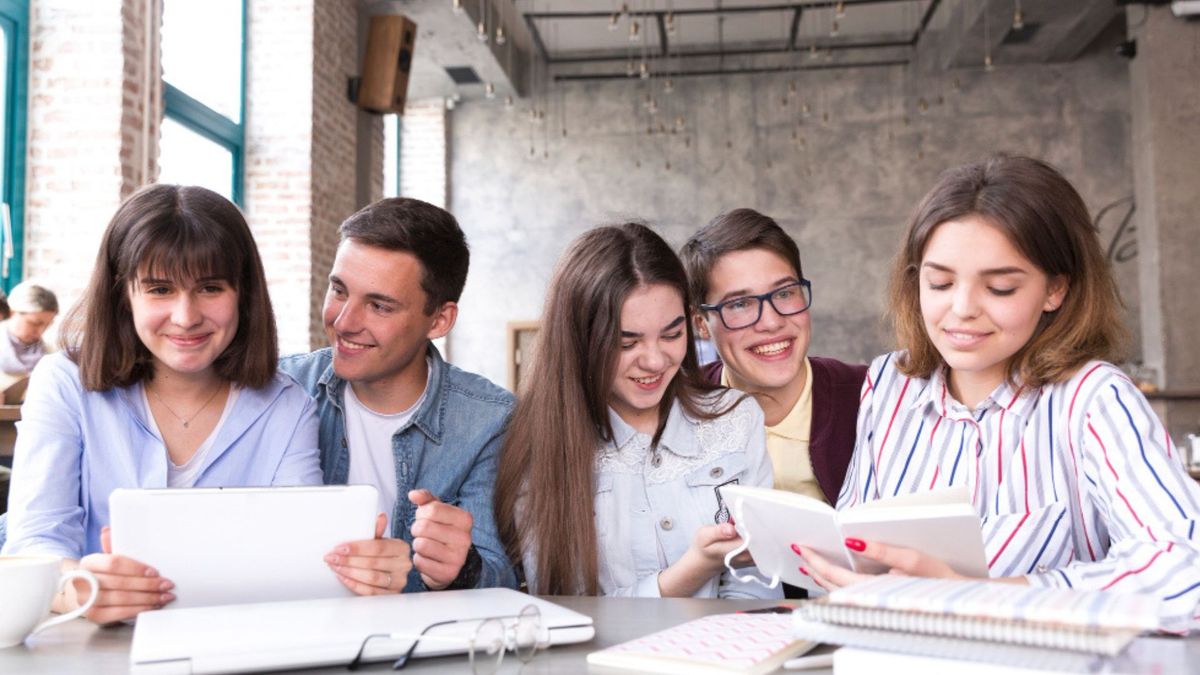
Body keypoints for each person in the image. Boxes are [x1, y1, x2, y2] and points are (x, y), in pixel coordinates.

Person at [793, 155, 1200, 632]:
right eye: (940, 282)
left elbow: (1185, 572)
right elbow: (855, 546)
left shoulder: (1093, 400)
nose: (962, 308)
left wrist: (975, 597)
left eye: (1001, 288)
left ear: (1055, 290)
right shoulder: (889, 383)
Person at [1, 184, 323, 625]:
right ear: (123, 295)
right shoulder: (64, 383)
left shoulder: (288, 407)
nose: (186, 317)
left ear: (243, 294)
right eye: (159, 289)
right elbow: (35, 541)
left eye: (210, 287)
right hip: (89, 643)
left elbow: (298, 556)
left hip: (236, 639)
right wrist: (78, 589)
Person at [494, 222, 780, 599]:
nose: (655, 361)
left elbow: (759, 586)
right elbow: (566, 608)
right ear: (580, 341)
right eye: (627, 343)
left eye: (672, 334)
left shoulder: (736, 419)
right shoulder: (540, 448)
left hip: (730, 638)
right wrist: (693, 569)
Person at [279, 198, 516, 596]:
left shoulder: (490, 420)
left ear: (439, 320)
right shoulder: (282, 388)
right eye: (339, 290)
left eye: (379, 306)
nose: (343, 322)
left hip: (421, 634)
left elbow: (502, 580)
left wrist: (462, 569)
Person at [681, 209, 867, 505]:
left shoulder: (871, 397)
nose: (771, 322)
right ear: (701, 324)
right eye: (740, 304)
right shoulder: (677, 408)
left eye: (784, 293)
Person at [0, 281, 59, 375]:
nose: (40, 333)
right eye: (35, 323)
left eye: (47, 325)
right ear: (12, 312)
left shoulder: (52, 353)